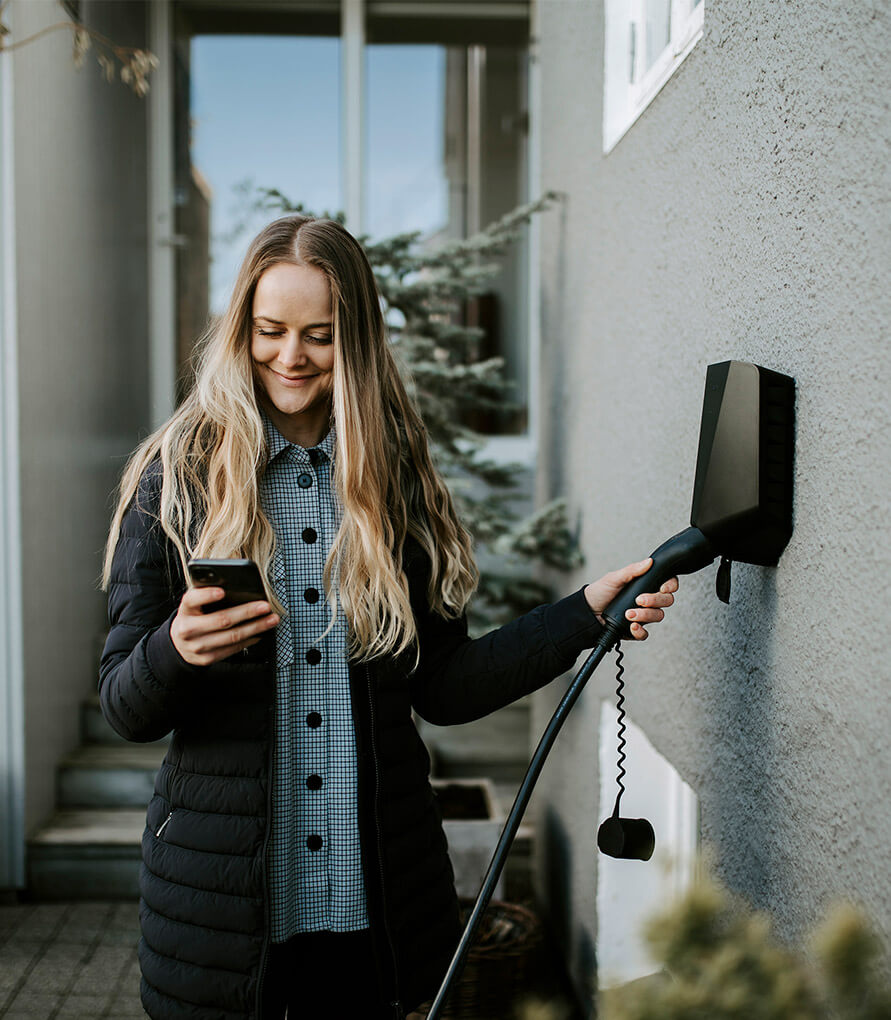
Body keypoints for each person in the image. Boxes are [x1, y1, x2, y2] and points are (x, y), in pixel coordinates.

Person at [99, 215, 678, 1020]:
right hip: (221, 920)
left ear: (358, 341)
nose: (290, 356)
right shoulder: (178, 480)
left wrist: (581, 615)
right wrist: (174, 649)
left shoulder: (393, 480)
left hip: (373, 915)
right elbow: (125, 707)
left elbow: (444, 685)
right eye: (269, 330)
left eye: (319, 335)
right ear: (242, 328)